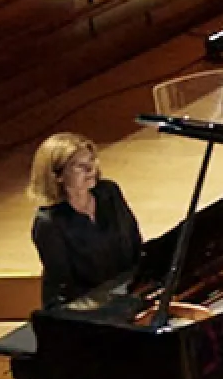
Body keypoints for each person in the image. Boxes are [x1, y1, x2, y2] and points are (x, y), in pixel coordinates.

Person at [29, 131, 143, 308]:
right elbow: (66, 287)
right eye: (79, 166)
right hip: (81, 307)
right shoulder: (49, 223)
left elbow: (134, 243)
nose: (90, 169)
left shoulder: (109, 193)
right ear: (57, 176)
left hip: (122, 291)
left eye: (91, 161)